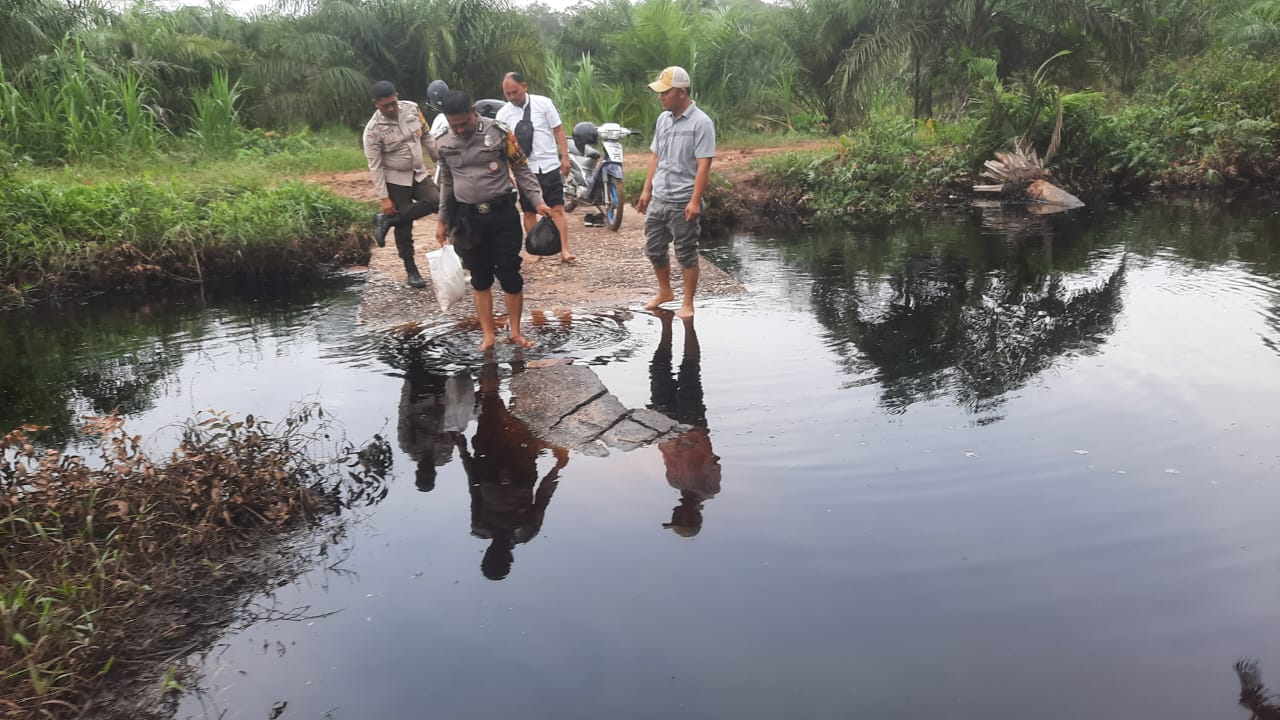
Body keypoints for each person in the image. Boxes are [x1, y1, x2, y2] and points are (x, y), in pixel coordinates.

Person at [434, 90, 551, 352]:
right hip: (468, 219)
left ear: (474, 110)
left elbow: (521, 168)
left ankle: (516, 332)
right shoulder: (442, 142)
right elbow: (446, 182)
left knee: (510, 274)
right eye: (454, 125)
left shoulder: (500, 133)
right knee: (480, 277)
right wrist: (442, 220)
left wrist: (538, 200)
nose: (460, 129)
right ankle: (488, 336)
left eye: (464, 123)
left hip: (502, 215)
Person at [459, 363, 569, 580]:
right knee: (523, 410)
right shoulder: (527, 530)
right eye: (501, 559)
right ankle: (518, 362)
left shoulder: (480, 526)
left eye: (492, 558)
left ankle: (489, 358)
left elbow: (474, 489)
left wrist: (463, 452)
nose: (498, 554)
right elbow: (542, 497)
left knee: (491, 402)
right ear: (510, 558)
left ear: (487, 555)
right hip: (521, 463)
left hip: (488, 461)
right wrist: (557, 467)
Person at [636, 66, 716, 319]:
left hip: (683, 199)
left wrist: (694, 201)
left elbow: (704, 164)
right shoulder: (663, 120)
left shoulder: (701, 123)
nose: (661, 97)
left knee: (685, 251)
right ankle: (665, 291)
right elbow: (656, 156)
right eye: (660, 93)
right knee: (654, 248)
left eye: (665, 93)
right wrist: (647, 189)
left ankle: (688, 302)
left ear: (681, 92)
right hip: (660, 196)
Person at [648, 309, 721, 536]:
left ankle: (667, 325)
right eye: (679, 517)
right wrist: (695, 436)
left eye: (675, 516)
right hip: (692, 425)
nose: (676, 512)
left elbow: (667, 456)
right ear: (694, 516)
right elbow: (711, 458)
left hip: (668, 427)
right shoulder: (709, 488)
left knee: (658, 370)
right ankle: (688, 325)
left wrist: (660, 436)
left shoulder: (674, 482)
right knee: (689, 371)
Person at [363, 80, 440, 289]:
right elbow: (375, 165)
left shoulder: (413, 109)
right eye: (385, 105)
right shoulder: (373, 130)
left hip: (418, 172)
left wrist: (438, 157)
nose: (391, 108)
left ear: (397, 96)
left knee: (438, 201)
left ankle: (387, 221)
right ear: (375, 104)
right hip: (395, 179)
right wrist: (384, 198)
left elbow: (426, 135)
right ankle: (411, 269)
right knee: (404, 228)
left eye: (393, 103)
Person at [496, 71, 575, 264]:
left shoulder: (544, 103)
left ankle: (564, 250)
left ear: (524, 86)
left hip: (548, 165)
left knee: (556, 208)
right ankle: (536, 249)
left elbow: (558, 130)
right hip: (524, 170)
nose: (513, 97)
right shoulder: (503, 114)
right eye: (508, 94)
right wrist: (508, 171)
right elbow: (502, 147)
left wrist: (565, 157)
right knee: (529, 211)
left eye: (515, 92)